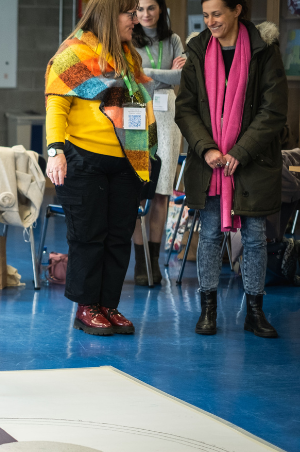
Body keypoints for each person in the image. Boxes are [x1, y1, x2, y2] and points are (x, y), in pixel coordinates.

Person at [45, 0, 158, 336]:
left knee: (119, 237)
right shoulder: (73, 54)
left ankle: (109, 305)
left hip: (127, 162)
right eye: (130, 13)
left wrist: (145, 158)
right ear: (110, 15)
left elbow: (138, 109)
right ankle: (87, 307)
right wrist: (56, 151)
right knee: (89, 236)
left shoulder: (128, 56)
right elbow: (57, 103)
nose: (136, 20)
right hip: (85, 160)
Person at [176, 0, 288, 338]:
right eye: (206, 15)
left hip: (252, 161)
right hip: (209, 163)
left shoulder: (263, 50)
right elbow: (185, 108)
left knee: (254, 238)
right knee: (209, 236)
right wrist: (206, 147)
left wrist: (241, 150)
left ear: (237, 10)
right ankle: (207, 308)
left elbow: (274, 109)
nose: (210, 21)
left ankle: (255, 311)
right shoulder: (197, 50)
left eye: (218, 14)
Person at [131, 0, 187, 286]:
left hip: (167, 119)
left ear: (161, 9)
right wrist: (164, 74)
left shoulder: (174, 39)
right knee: (140, 193)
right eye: (139, 9)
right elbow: (130, 77)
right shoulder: (129, 38)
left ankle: (153, 261)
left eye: (150, 8)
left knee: (162, 193)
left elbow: (183, 76)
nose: (145, 14)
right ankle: (140, 265)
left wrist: (148, 73)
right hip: (137, 116)